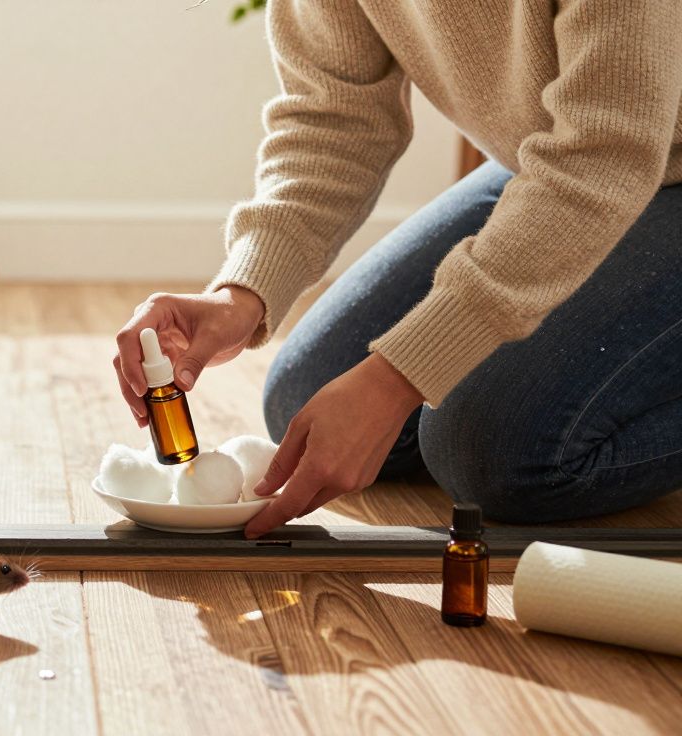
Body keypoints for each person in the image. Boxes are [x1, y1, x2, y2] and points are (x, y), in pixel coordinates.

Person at [113, 1, 682, 538]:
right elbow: (336, 117)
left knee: (493, 453)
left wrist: (397, 378)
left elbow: (608, 150)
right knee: (304, 400)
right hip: (554, 155)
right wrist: (243, 293)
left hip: (626, 156)